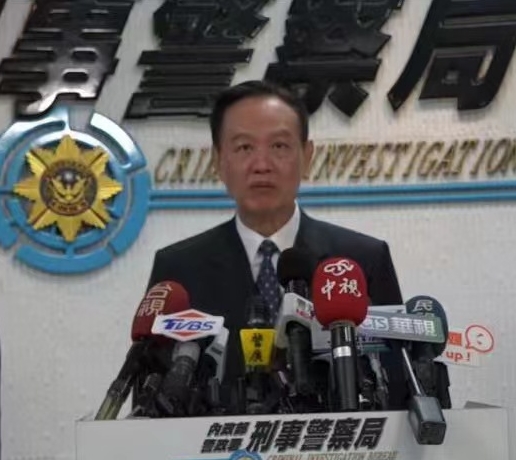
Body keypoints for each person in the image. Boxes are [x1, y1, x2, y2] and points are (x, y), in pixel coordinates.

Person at [144, 80, 407, 410]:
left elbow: (397, 389)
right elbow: (152, 403)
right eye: (244, 148)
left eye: (279, 146)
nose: (262, 165)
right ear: (218, 160)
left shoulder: (363, 259)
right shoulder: (178, 268)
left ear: (307, 156)